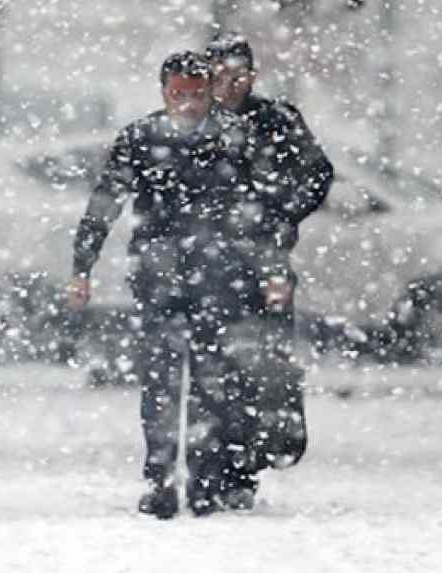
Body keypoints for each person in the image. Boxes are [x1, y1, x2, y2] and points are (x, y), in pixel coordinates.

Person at [67, 51, 269, 518]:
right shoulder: (142, 137)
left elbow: (261, 210)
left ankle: (204, 480)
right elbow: (105, 201)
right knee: (162, 381)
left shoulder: (235, 138)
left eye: (196, 94)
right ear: (164, 92)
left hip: (219, 279)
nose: (188, 104)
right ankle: (161, 480)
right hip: (161, 277)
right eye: (179, 94)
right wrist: (82, 266)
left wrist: (265, 268)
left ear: (210, 91)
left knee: (212, 384)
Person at [203, 32, 334, 500]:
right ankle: (215, 461)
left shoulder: (277, 119)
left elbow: (317, 173)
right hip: (205, 264)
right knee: (211, 364)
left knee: (265, 365)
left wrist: (280, 213)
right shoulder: (194, 122)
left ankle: (252, 459)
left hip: (265, 262)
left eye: (238, 75)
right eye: (220, 75)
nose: (230, 84)